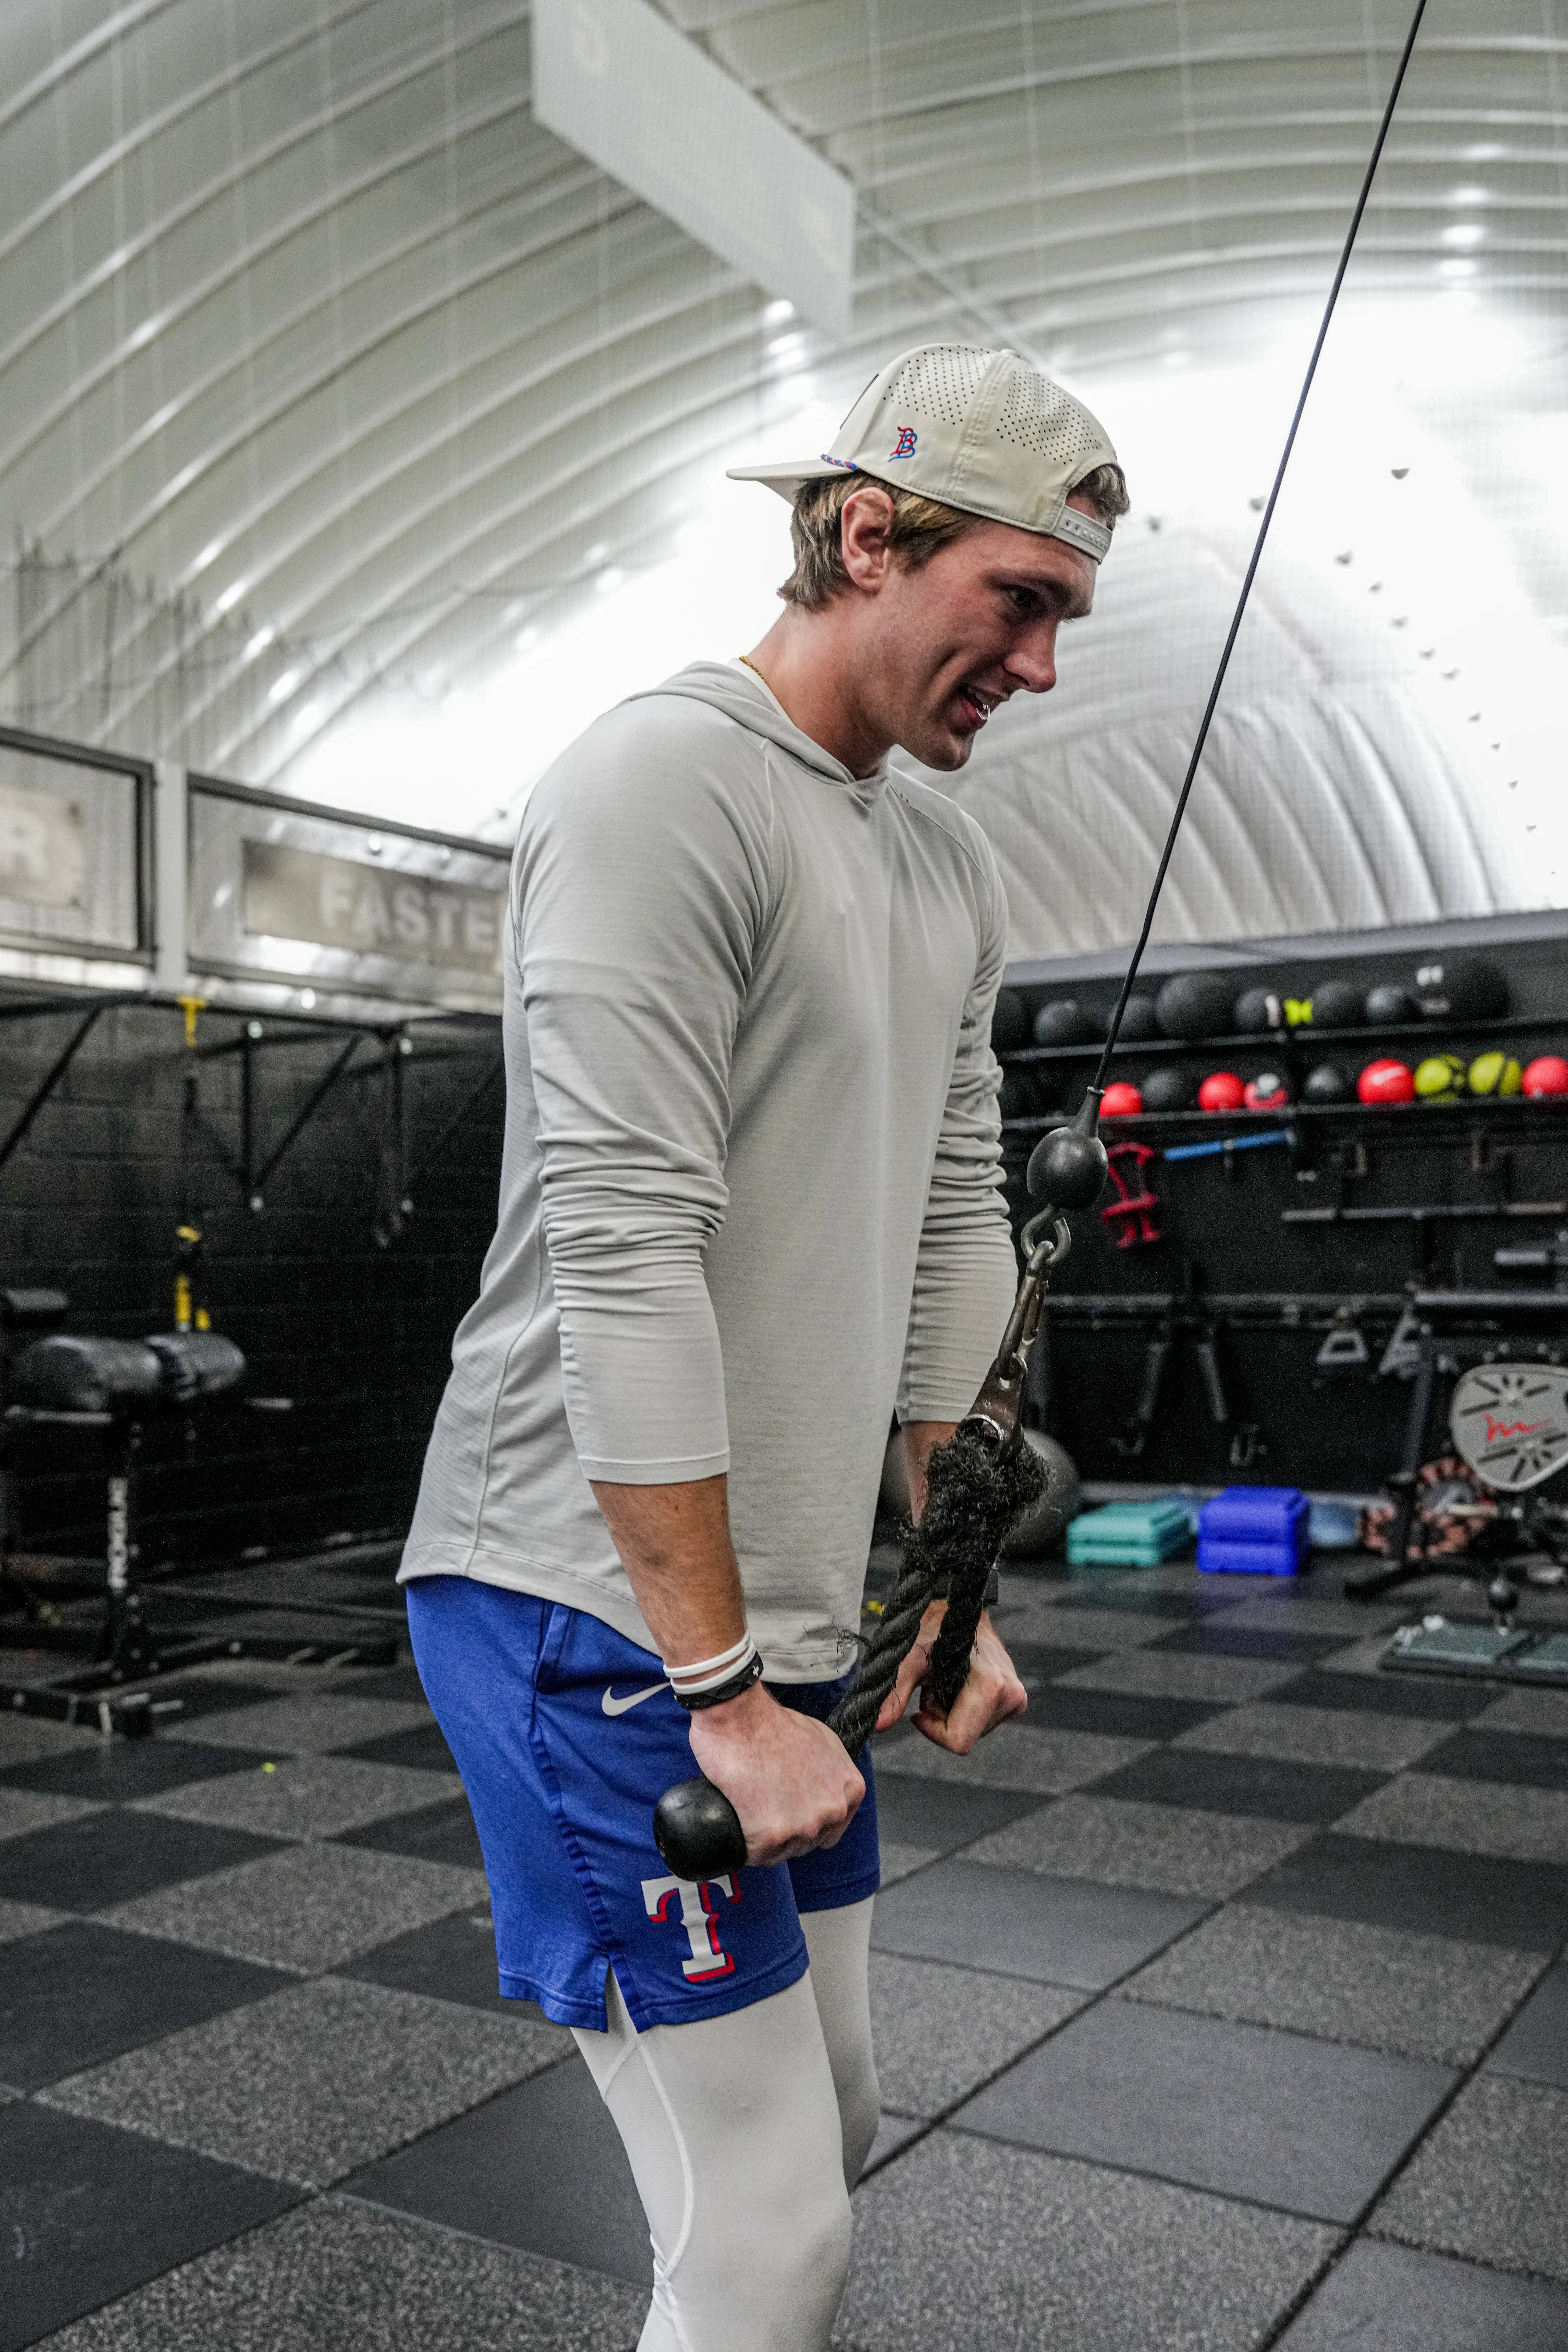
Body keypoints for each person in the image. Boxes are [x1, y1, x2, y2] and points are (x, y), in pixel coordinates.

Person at [399, 342, 1128, 2351]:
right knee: (773, 2228)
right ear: (870, 536)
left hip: (784, 1612)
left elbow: (956, 1217)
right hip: (591, 1609)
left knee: (836, 2126)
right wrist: (718, 1689)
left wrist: (951, 1578)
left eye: (1068, 620)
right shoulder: (660, 782)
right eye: (1025, 605)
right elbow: (626, 1247)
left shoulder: (936, 857)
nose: (1045, 667)